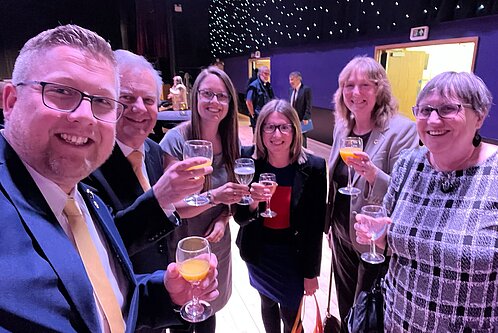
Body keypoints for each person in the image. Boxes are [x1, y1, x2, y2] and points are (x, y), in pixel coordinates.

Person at [0, 24, 218, 332]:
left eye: (102, 101)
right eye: (62, 91)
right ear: (10, 100)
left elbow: (106, 303)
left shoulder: (83, 196)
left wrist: (165, 294)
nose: (85, 115)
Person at [355, 71, 498, 332]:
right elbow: (391, 239)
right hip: (396, 321)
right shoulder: (408, 165)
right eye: (424, 110)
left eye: (447, 109)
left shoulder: (496, 173)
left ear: (479, 116)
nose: (433, 120)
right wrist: (376, 235)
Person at [84, 50, 203, 275]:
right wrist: (161, 197)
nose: (139, 108)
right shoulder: (88, 161)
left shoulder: (155, 150)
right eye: (127, 98)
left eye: (148, 100)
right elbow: (102, 245)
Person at [326, 55, 419, 331]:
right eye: (349, 85)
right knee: (346, 306)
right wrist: (331, 226)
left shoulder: (403, 131)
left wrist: (371, 174)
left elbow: (406, 192)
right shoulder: (343, 127)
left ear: (380, 89)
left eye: (365, 85)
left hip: (375, 243)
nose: (356, 93)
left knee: (369, 312)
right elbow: (335, 182)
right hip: (342, 234)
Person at [160, 66, 249, 332]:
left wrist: (224, 217)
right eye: (207, 94)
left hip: (215, 245)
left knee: (209, 313)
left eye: (222, 96)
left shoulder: (231, 141)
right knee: (181, 320)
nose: (214, 102)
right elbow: (175, 207)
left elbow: (230, 198)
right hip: (183, 244)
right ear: (195, 96)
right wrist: (214, 196)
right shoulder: (176, 140)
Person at [233, 99, 327, 333]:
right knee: (266, 301)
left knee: (291, 314)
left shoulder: (314, 166)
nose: (277, 134)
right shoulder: (248, 161)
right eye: (270, 127)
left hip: (293, 257)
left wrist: (311, 273)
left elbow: (315, 226)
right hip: (259, 253)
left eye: (284, 127)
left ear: (295, 130)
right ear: (260, 130)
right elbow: (240, 218)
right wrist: (253, 200)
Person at [246, 65, 274, 132]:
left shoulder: (268, 85)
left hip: (266, 115)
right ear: (260, 74)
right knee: (257, 136)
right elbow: (248, 101)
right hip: (257, 117)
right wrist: (253, 115)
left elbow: (271, 98)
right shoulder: (254, 86)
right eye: (265, 73)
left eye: (268, 74)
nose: (267, 76)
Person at [288, 71, 312, 148]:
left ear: (298, 79)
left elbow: (308, 105)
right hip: (292, 118)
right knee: (293, 136)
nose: (290, 82)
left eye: (292, 79)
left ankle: (304, 153)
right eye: (290, 80)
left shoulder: (306, 90)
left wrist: (306, 117)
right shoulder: (290, 90)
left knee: (302, 138)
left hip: (302, 119)